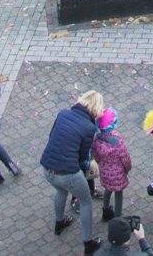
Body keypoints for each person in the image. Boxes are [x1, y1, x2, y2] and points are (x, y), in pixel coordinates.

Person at [41, 89, 102, 255]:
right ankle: (88, 243)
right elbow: (83, 158)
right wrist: (92, 164)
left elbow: (51, 135)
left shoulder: (62, 114)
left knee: (60, 191)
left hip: (47, 169)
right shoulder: (89, 127)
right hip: (68, 173)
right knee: (86, 201)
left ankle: (59, 223)